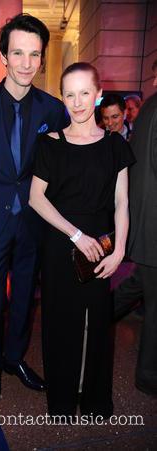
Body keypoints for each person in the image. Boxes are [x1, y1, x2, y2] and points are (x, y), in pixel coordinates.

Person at [0, 13, 67, 404]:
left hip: (33, 219)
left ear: (42, 59)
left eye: (35, 54)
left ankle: (14, 358)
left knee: (25, 297)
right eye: (18, 53)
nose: (26, 63)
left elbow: (63, 167)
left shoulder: (52, 109)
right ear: (4, 56)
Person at [29, 62, 135, 418]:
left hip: (101, 248)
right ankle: (61, 400)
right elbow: (36, 198)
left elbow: (122, 202)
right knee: (60, 322)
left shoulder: (115, 146)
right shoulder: (49, 144)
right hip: (61, 244)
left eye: (84, 93)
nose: (77, 102)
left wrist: (119, 249)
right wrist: (75, 234)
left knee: (96, 323)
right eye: (69, 94)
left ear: (98, 94)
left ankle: (94, 400)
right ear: (62, 97)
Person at [113, 91, 157, 398]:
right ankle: (149, 376)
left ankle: (93, 316)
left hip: (148, 223)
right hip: (153, 225)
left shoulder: (152, 104)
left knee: (140, 284)